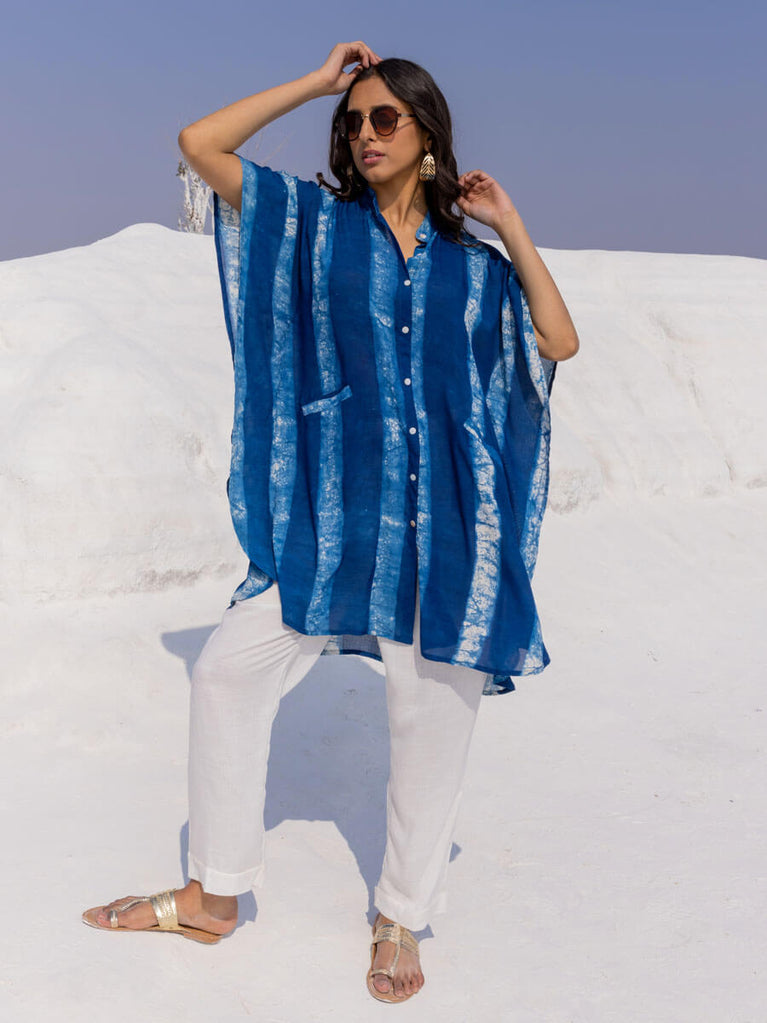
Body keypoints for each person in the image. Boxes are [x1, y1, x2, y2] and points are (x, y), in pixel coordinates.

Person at [82, 41, 579, 1004]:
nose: (364, 133)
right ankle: (213, 895)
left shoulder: (474, 271)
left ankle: (400, 914)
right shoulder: (315, 227)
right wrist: (318, 81)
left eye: (384, 117)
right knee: (227, 670)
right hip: (334, 519)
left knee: (431, 718)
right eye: (352, 122)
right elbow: (200, 144)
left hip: (447, 532)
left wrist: (510, 224)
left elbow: (557, 340)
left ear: (427, 133)